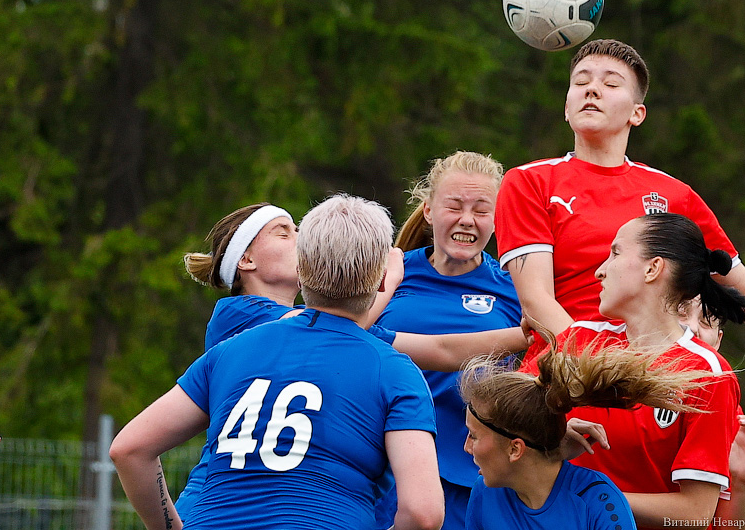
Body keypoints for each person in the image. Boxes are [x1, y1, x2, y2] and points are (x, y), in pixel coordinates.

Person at [495, 38, 745, 418]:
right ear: (566, 106)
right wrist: (607, 373)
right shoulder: (530, 182)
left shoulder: (673, 195)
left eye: (611, 83)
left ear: (637, 113)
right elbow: (536, 301)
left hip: (653, 383)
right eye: (581, 82)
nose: (592, 89)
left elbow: (739, 284)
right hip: (566, 385)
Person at [175, 202, 530, 520]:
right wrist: (385, 280)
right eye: (283, 232)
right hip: (215, 500)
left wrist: (536, 333)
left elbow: (441, 351)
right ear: (246, 261)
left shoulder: (333, 331)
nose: (299, 237)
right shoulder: (237, 316)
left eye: (299, 229)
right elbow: (344, 323)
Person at [110, 194, 444, 530]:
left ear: (303, 273)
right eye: (284, 232)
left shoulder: (230, 351)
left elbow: (129, 449)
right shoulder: (394, 370)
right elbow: (422, 514)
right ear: (385, 280)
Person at [523, 213, 745, 530]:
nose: (600, 270)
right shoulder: (578, 340)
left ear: (652, 268)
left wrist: (591, 495)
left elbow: (695, 513)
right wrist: (547, 434)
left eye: (615, 253)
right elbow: (498, 417)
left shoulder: (706, 373)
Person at [375, 151, 523, 530]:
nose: (467, 220)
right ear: (428, 210)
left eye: (481, 209)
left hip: (472, 477)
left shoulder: (515, 287)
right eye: (454, 206)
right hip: (383, 469)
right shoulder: (391, 271)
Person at [460, 341, 708, 530]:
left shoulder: (601, 503)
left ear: (515, 449)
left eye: (474, 436)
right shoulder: (485, 492)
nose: (466, 448)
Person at [680, 298, 745, 530]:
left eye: (706, 321)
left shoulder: (734, 420)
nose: (693, 328)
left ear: (718, 341)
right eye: (681, 313)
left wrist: (743, 482)